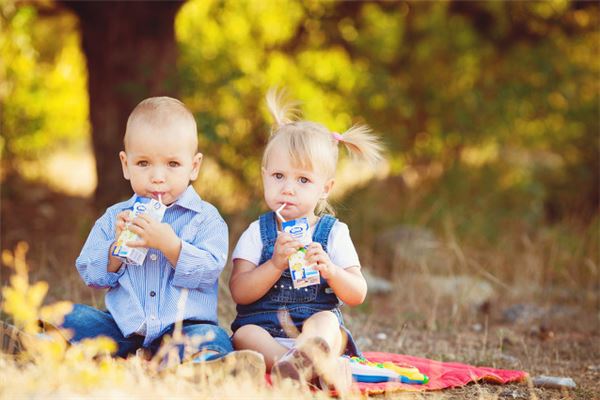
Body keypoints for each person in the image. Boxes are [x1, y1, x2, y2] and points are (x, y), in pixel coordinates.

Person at [61, 96, 264, 374]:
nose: (157, 176)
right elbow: (89, 273)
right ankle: (39, 344)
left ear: (193, 167)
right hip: (122, 326)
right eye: (143, 163)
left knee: (211, 339)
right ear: (125, 164)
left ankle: (206, 368)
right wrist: (114, 252)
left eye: (172, 164)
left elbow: (210, 270)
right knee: (71, 316)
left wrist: (173, 247)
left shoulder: (205, 218)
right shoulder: (115, 217)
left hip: (182, 329)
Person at [229, 89, 383, 391]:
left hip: (316, 328)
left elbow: (357, 293)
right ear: (263, 177)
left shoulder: (334, 232)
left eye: (302, 180)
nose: (288, 188)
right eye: (278, 176)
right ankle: (294, 364)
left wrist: (332, 271)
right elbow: (239, 292)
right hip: (265, 329)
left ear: (325, 188)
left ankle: (309, 358)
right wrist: (274, 264)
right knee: (242, 335)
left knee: (326, 322)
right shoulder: (256, 233)